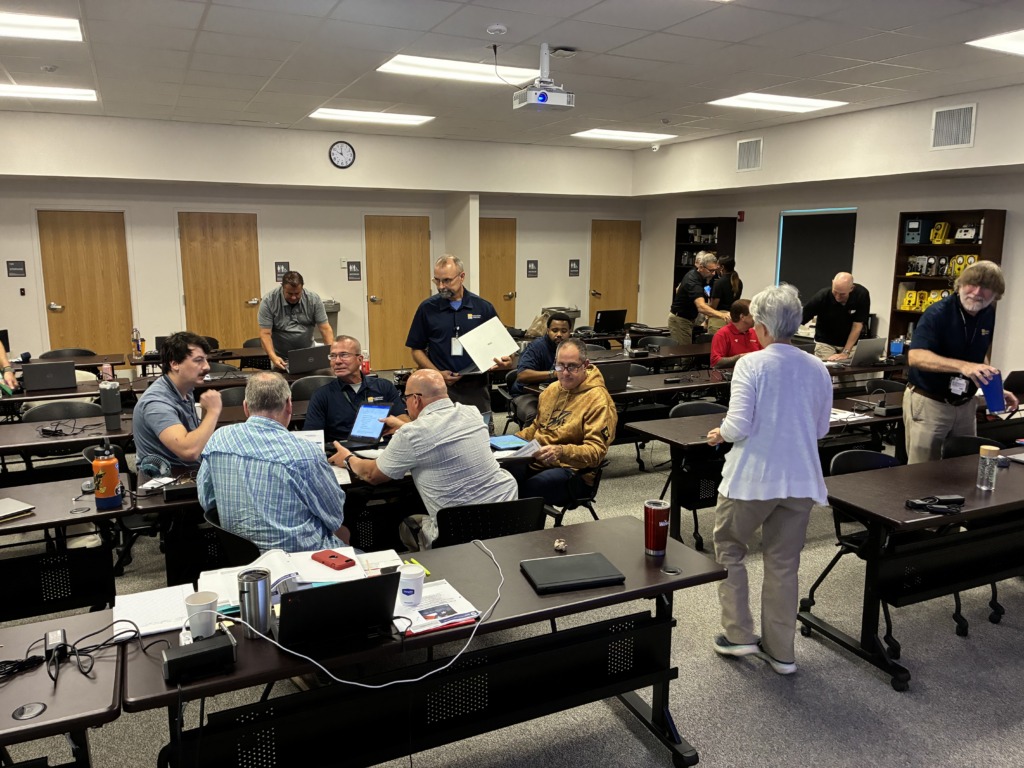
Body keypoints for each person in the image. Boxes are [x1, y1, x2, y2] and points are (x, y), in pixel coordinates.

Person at [707, 284, 832, 676]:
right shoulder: (818, 367)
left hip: (752, 479)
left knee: (729, 548)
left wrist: (720, 434)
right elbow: (821, 429)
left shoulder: (751, 363)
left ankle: (740, 634)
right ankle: (782, 652)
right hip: (800, 479)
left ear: (759, 326)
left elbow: (739, 424)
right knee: (783, 564)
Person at [331, 369, 518, 550]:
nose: (405, 405)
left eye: (406, 399)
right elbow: (439, 426)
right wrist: (406, 424)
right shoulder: (472, 413)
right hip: (505, 521)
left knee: (404, 524)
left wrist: (347, 458)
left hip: (456, 533)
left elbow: (371, 474)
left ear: (416, 399)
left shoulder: (412, 433)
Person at [198, 372, 348, 553]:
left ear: (246, 407)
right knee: (345, 533)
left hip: (243, 559)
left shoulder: (218, 440)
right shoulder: (305, 453)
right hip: (304, 561)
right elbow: (334, 516)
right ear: (289, 405)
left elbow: (207, 501)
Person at [904, 261, 1017, 464]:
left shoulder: (987, 313)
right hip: (931, 402)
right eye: (971, 284)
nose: (976, 292)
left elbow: (978, 354)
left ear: (996, 294)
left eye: (985, 288)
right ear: (960, 285)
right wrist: (964, 367)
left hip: (965, 404)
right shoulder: (938, 313)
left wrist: (991, 386)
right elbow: (916, 356)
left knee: (964, 467)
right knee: (922, 474)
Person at [406, 254, 512, 425]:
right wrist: (437, 374)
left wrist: (505, 361)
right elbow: (416, 349)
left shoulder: (483, 308)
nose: (441, 287)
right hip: (438, 389)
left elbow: (504, 349)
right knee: (440, 436)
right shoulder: (427, 309)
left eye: (447, 280)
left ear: (462, 277)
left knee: (480, 434)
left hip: (475, 387)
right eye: (437, 281)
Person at [514, 338, 617, 507]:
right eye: (560, 366)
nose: (565, 373)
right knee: (502, 475)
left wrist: (561, 451)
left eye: (572, 366)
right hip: (540, 460)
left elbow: (596, 452)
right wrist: (509, 442)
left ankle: (524, 531)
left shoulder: (598, 400)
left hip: (575, 472)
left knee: (527, 491)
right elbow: (536, 428)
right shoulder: (552, 390)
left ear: (585, 365)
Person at [133, 331, 222, 468]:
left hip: (186, 471)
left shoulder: (186, 389)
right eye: (198, 360)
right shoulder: (156, 403)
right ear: (175, 364)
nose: (207, 367)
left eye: (206, 360)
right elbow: (189, 451)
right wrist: (213, 411)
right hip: (168, 481)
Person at [304, 335, 408, 443]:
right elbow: (312, 436)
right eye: (333, 356)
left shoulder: (384, 387)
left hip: (381, 449)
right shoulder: (321, 395)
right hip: (342, 451)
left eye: (343, 355)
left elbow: (404, 421)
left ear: (360, 359)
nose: (337, 361)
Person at [258, 270, 335, 371]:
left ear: (302, 288)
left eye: (297, 293)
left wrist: (332, 354)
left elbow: (325, 329)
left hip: (309, 356)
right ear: (283, 288)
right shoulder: (269, 301)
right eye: (289, 293)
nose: (294, 297)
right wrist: (273, 357)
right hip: (281, 358)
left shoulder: (313, 299)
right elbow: (265, 334)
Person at [508, 312, 573, 425]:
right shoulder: (537, 347)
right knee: (535, 414)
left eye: (564, 331)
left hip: (558, 393)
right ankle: (531, 441)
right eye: (555, 330)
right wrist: (554, 373)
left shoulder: (572, 347)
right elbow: (522, 375)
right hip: (527, 394)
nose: (559, 334)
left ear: (569, 332)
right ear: (547, 331)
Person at [801, 272, 870, 362]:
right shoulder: (822, 296)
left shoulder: (861, 295)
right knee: (827, 370)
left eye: (842, 294)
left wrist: (845, 352)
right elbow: (800, 318)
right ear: (832, 283)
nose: (837, 297)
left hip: (850, 343)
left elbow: (857, 326)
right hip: (826, 342)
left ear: (851, 288)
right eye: (835, 292)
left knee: (847, 373)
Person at [668, 251, 730, 345]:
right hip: (680, 319)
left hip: (691, 318)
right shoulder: (692, 280)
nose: (713, 274)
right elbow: (700, 306)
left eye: (715, 270)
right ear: (701, 267)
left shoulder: (705, 277)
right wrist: (722, 315)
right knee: (684, 355)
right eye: (711, 271)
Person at [710, 299, 761, 369]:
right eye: (753, 315)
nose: (756, 318)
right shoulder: (722, 334)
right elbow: (715, 363)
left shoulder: (754, 332)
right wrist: (740, 357)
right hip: (734, 375)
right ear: (742, 317)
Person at [708, 256, 743, 334]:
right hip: (732, 320)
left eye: (717, 265)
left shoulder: (718, 283)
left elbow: (713, 307)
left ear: (722, 267)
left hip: (718, 321)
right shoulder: (738, 282)